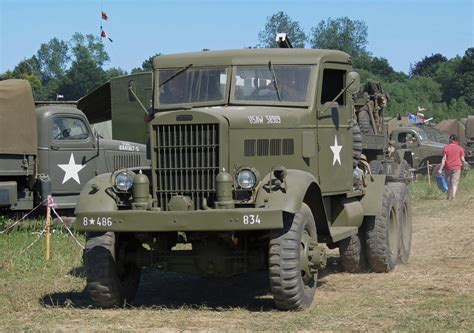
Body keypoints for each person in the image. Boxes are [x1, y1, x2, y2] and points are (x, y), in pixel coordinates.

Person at [438, 134, 469, 200]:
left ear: (450, 140)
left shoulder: (446, 148)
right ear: (456, 140)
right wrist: (464, 165)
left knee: (448, 182)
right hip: (457, 167)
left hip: (448, 167)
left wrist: (440, 169)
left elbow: (444, 159)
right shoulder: (460, 148)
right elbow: (463, 159)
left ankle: (448, 196)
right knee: (455, 182)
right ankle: (453, 196)